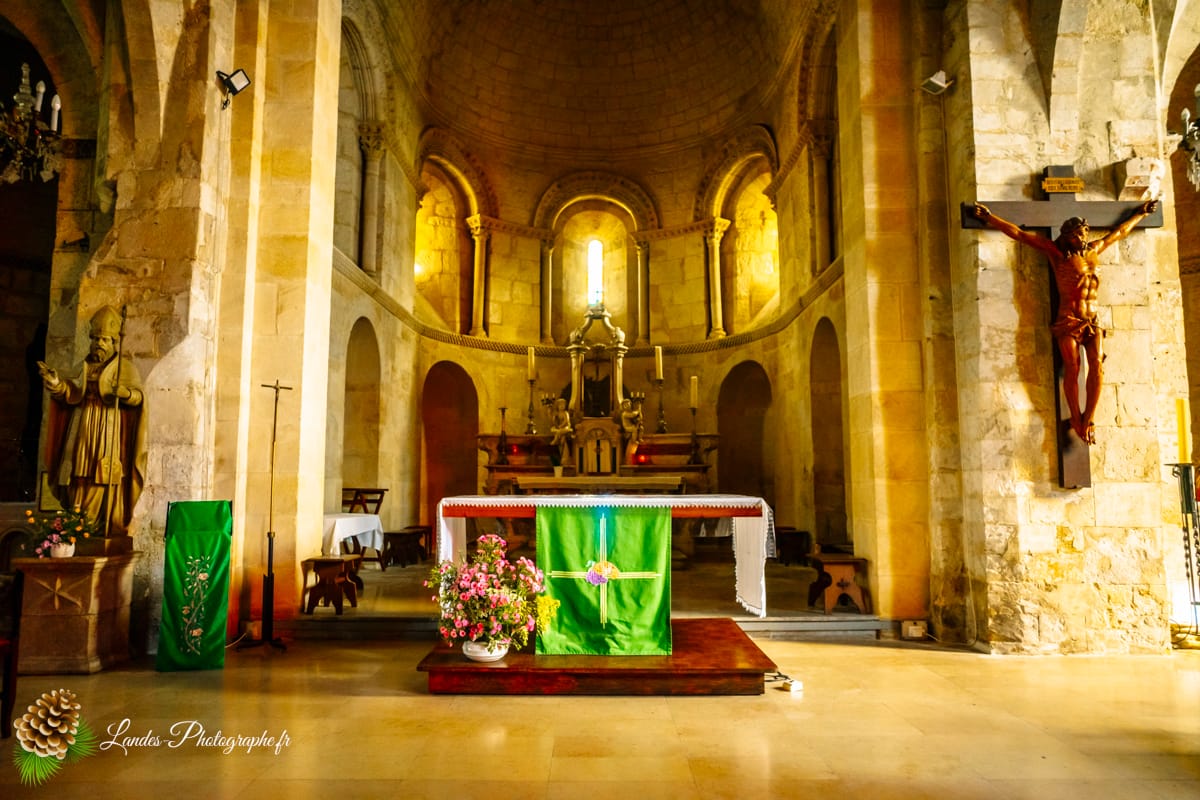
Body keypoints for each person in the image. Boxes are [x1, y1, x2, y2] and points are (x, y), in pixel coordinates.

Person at [971, 198, 1158, 444]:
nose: (1083, 237)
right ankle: (1076, 417)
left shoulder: (1094, 250)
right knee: (1073, 366)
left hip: (1092, 319)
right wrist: (989, 218)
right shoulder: (1057, 254)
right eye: (1078, 234)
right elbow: (1019, 234)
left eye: (1085, 232)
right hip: (1069, 319)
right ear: (1068, 236)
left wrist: (1141, 214)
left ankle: (1088, 417)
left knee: (1098, 366)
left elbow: (1120, 232)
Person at [38, 306, 146, 535]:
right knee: (78, 473)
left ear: (114, 342)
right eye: (96, 339)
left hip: (108, 428)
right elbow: (70, 392)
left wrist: (125, 394)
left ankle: (100, 524)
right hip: (82, 425)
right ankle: (77, 525)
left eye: (104, 339)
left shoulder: (125, 368)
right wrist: (56, 383)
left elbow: (139, 398)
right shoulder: (83, 367)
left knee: (103, 476)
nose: (99, 344)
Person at [619, 397, 644, 464]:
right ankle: (634, 440)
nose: (627, 406)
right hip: (627, 427)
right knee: (634, 429)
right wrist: (638, 410)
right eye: (625, 405)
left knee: (641, 428)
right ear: (623, 406)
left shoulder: (630, 412)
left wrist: (639, 413)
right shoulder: (624, 414)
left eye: (628, 404)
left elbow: (638, 417)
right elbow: (633, 415)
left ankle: (639, 438)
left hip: (631, 425)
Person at [548, 397, 573, 465]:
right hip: (559, 428)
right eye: (560, 405)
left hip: (566, 426)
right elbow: (554, 422)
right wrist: (551, 415)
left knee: (561, 433)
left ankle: (555, 439)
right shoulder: (557, 413)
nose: (562, 406)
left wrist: (561, 426)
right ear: (557, 406)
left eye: (563, 405)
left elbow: (566, 421)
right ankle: (562, 458)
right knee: (561, 438)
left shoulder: (565, 413)